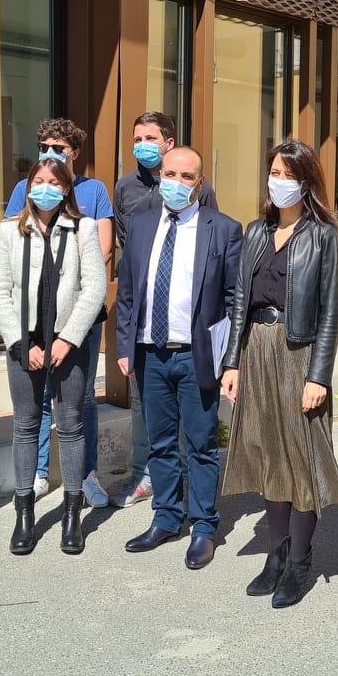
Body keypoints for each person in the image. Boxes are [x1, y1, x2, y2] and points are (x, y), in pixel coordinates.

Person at [219, 140, 338, 607]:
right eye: (274, 171)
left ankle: (300, 561)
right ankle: (276, 554)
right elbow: (237, 304)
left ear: (306, 182)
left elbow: (331, 313)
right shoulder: (255, 231)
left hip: (299, 351)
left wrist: (320, 375)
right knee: (268, 452)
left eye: (289, 174)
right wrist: (231, 362)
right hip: (257, 347)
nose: (279, 181)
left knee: (301, 456)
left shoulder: (323, 235)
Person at [115, 146, 242, 570]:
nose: (176, 182)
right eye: (170, 174)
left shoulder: (223, 229)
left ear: (200, 184)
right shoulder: (141, 223)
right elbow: (129, 290)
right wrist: (123, 347)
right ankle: (167, 517)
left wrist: (229, 360)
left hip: (197, 357)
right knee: (161, 443)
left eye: (187, 176)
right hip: (150, 354)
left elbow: (232, 300)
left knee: (202, 444)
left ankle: (204, 525)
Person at [0, 157, 107, 555]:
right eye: (37, 181)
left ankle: (72, 514)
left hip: (67, 345)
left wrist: (67, 339)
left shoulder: (83, 229)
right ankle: (25, 513)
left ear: (66, 189)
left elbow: (94, 289)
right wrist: (22, 344)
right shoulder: (9, 231)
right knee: (25, 425)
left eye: (54, 182)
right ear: (27, 187)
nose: (45, 188)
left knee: (71, 424)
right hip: (23, 344)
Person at [110, 111, 219, 508]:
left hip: (189, 332)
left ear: (168, 142)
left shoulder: (198, 190)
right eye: (136, 137)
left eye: (150, 137)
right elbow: (132, 260)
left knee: (196, 427)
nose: (142, 144)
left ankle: (197, 500)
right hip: (147, 332)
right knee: (149, 417)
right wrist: (125, 342)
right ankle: (148, 483)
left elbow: (213, 255)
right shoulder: (124, 188)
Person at [4, 118, 113, 508]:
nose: (51, 154)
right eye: (45, 146)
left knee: (80, 399)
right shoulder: (23, 188)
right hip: (35, 315)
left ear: (75, 154)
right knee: (38, 396)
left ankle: (85, 476)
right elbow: (14, 245)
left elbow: (103, 248)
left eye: (60, 148)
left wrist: (70, 284)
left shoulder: (94, 190)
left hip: (79, 312)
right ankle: (36, 474)